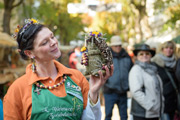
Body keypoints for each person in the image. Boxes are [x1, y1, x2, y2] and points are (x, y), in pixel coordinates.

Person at [3, 18, 114, 120]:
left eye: (52, 37)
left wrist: (93, 92)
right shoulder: (17, 89)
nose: (53, 42)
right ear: (29, 53)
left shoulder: (76, 77)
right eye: (44, 42)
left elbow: (92, 118)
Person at [129, 44, 164, 120]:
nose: (144, 55)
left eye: (147, 53)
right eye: (141, 54)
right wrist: (150, 106)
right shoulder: (136, 69)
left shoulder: (153, 69)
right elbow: (136, 92)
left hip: (154, 112)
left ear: (150, 55)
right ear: (137, 56)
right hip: (143, 113)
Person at [103, 35, 133, 120]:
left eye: (119, 45)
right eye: (116, 46)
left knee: (124, 116)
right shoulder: (106, 58)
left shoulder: (127, 56)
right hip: (110, 91)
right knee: (108, 115)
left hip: (123, 91)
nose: (118, 47)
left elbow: (131, 71)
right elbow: (101, 72)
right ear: (111, 46)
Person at [151, 40, 178, 120]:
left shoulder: (176, 62)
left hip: (174, 101)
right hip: (162, 101)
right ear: (162, 49)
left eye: (171, 48)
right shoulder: (155, 62)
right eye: (166, 48)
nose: (168, 50)